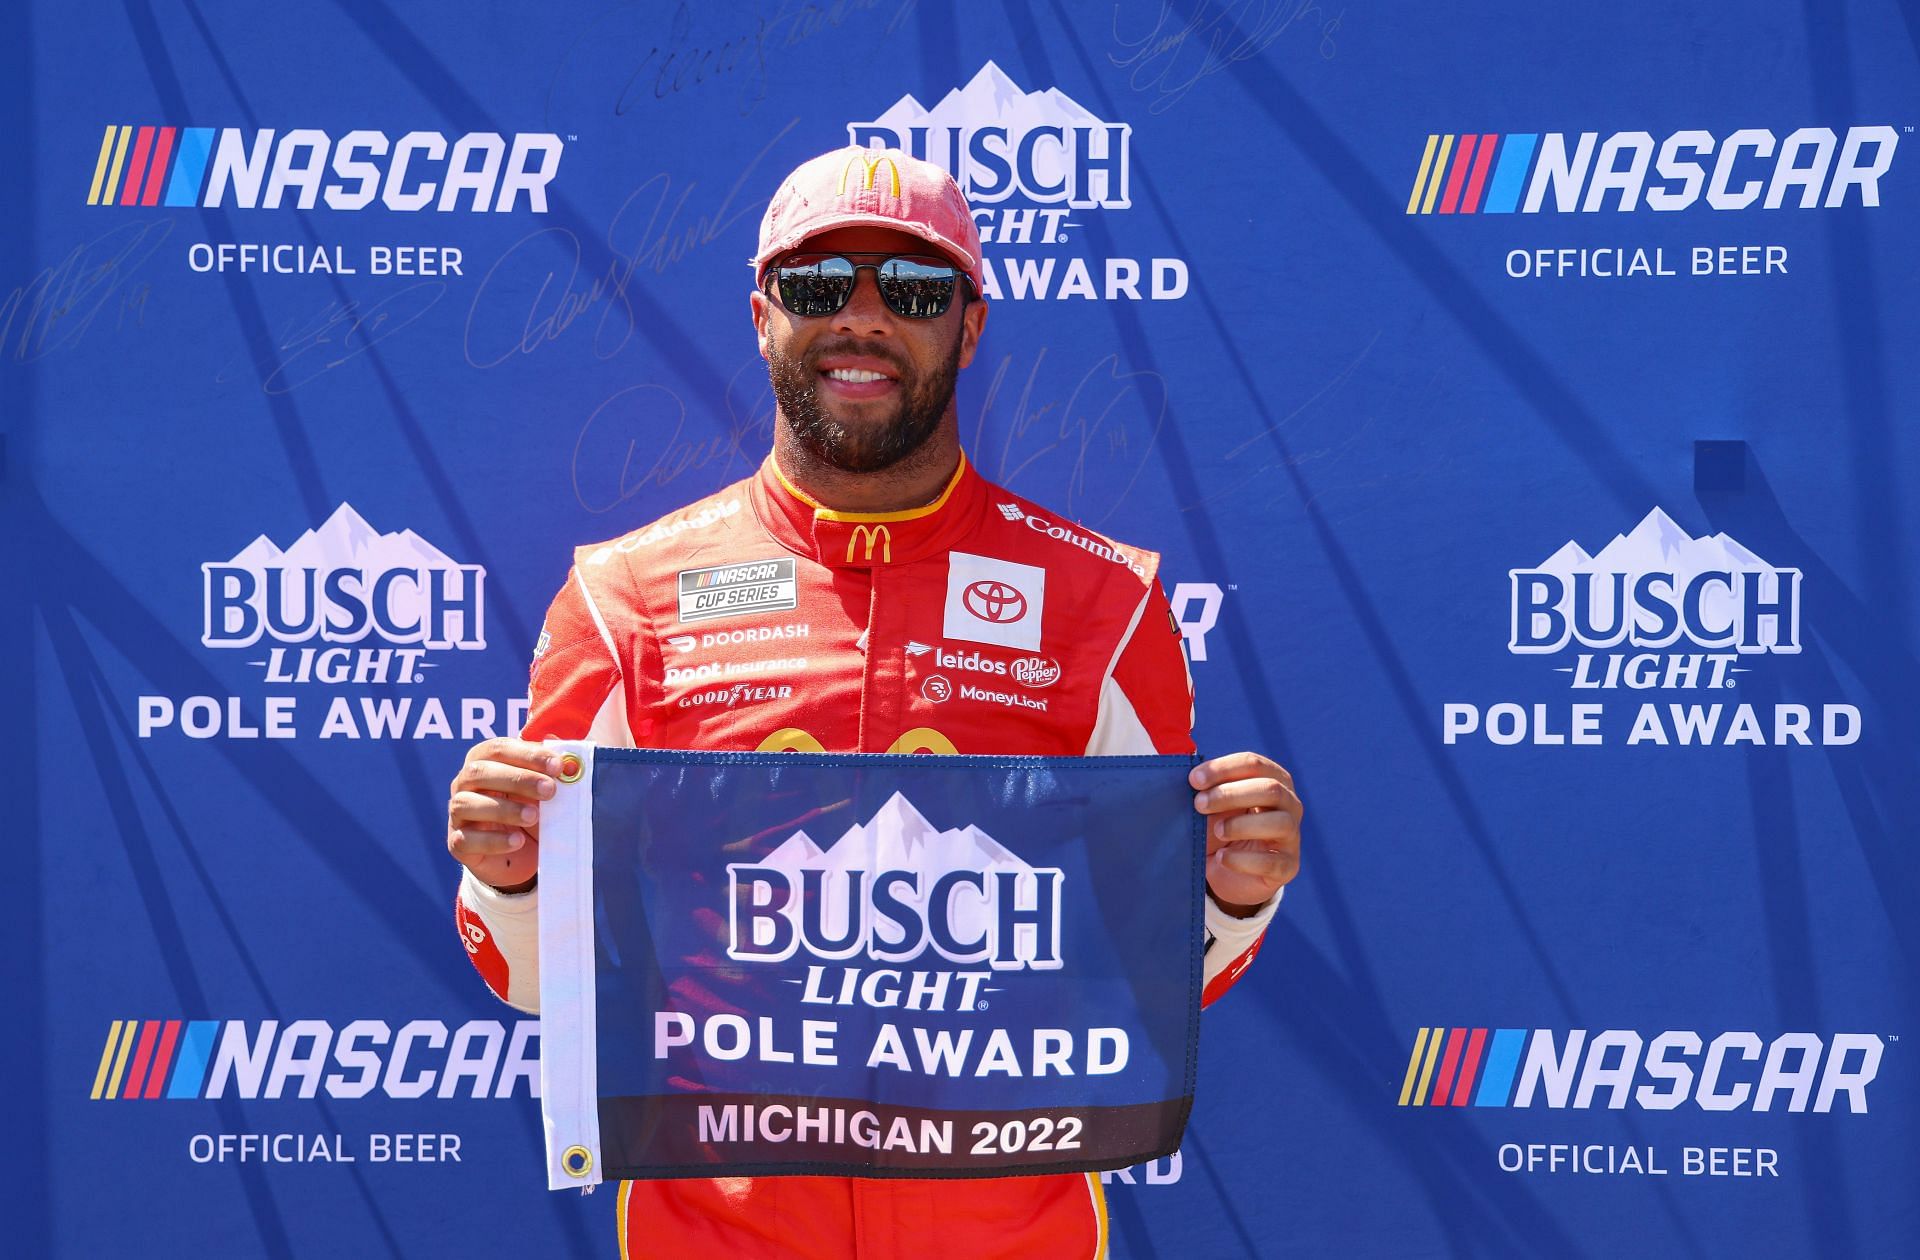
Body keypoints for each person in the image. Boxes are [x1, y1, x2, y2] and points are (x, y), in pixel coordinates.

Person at [445, 145, 1303, 1259]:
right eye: (817, 287)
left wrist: (1233, 899)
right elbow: (532, 979)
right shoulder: (625, 601)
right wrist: (510, 874)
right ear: (763, 317)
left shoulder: (1106, 601)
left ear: (970, 325)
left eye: (911, 289)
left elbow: (1146, 984)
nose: (861, 318)